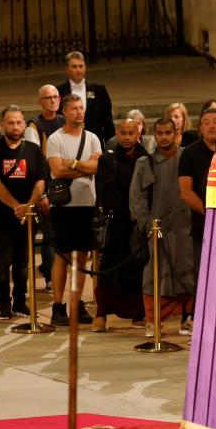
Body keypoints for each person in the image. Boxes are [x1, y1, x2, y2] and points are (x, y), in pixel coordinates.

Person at [0, 106, 46, 320]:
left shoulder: (34, 150)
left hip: (27, 214)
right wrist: (16, 206)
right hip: (0, 216)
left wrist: (29, 205)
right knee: (2, 261)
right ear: (2, 125)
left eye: (19, 122)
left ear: (24, 124)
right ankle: (4, 303)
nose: (15, 126)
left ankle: (20, 301)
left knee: (23, 261)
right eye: (10, 122)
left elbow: (41, 180)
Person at [129, 118, 193, 336]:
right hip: (157, 229)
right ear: (154, 135)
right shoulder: (145, 162)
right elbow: (136, 198)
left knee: (188, 273)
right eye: (160, 133)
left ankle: (188, 318)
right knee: (154, 276)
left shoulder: (188, 158)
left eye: (168, 132)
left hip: (186, 229)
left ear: (176, 133)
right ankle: (152, 320)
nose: (164, 137)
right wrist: (148, 224)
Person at [45, 93, 99, 326]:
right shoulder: (56, 139)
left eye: (81, 107)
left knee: (82, 257)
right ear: (64, 112)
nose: (79, 112)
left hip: (87, 204)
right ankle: (59, 305)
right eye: (74, 108)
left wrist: (75, 164)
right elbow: (58, 171)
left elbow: (97, 167)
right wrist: (85, 168)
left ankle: (77, 303)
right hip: (64, 205)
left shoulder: (92, 138)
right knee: (63, 256)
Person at [91, 118, 148, 332]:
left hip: (138, 223)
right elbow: (105, 189)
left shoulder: (145, 158)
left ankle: (139, 313)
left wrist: (139, 212)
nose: (126, 137)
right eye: (123, 133)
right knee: (108, 269)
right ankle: (101, 314)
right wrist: (127, 209)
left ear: (138, 133)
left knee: (139, 267)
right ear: (117, 133)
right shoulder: (108, 159)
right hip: (117, 221)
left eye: (131, 133)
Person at [177, 106, 216, 334]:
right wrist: (211, 214)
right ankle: (201, 324)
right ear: (199, 128)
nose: (212, 126)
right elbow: (186, 192)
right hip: (203, 225)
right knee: (203, 276)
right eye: (206, 122)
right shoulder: (190, 153)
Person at [24, 84, 65, 294]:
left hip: (65, 185)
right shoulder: (34, 127)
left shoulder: (64, 121)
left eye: (56, 97)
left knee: (60, 234)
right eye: (48, 98)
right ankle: (50, 276)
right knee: (49, 235)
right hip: (47, 186)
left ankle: (59, 272)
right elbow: (35, 162)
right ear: (40, 101)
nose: (52, 101)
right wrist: (43, 193)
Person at [56, 51, 115, 143]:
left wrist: (110, 145)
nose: (78, 70)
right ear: (66, 69)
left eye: (81, 66)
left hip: (95, 142)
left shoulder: (99, 90)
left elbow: (108, 122)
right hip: (67, 141)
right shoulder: (58, 92)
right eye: (74, 67)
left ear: (85, 68)